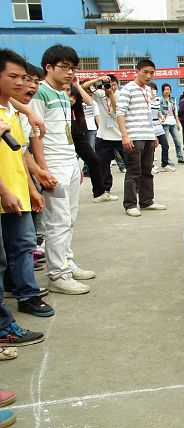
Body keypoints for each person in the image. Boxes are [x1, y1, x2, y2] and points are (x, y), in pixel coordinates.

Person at [30, 44, 94, 294]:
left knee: (70, 218)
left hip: (69, 162)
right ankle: (57, 274)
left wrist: (75, 163)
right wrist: (43, 169)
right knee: (57, 221)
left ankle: (66, 261)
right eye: (64, 67)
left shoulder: (63, 94)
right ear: (48, 67)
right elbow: (35, 135)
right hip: (53, 165)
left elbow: (66, 133)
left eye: (73, 68)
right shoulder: (40, 93)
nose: (70, 72)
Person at [0, 48, 54, 316]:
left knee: (24, 246)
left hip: (17, 192)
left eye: (25, 78)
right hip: (5, 193)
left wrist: (32, 188)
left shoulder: (12, 111)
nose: (22, 83)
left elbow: (20, 154)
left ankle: (28, 295)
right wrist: (4, 192)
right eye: (14, 77)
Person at [116, 59, 166, 217]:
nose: (149, 76)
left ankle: (147, 201)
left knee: (147, 171)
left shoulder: (147, 90)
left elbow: (147, 115)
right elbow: (120, 113)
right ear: (136, 71)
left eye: (152, 73)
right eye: (145, 72)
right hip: (134, 137)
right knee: (133, 172)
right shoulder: (127, 89)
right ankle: (130, 204)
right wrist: (125, 135)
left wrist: (153, 135)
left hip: (147, 136)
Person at [66, 82, 117, 203]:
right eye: (69, 95)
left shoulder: (77, 108)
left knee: (94, 160)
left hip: (78, 135)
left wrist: (78, 86)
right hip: (64, 137)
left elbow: (90, 102)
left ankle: (99, 193)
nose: (71, 99)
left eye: (74, 97)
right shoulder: (60, 105)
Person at [82, 74, 127, 195]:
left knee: (130, 163)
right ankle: (105, 188)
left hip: (121, 135)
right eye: (109, 85)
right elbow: (84, 86)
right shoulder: (100, 94)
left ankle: (135, 186)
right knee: (103, 165)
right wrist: (98, 79)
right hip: (103, 136)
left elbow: (117, 111)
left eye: (114, 85)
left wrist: (111, 95)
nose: (111, 87)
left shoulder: (121, 95)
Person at [159, 83, 184, 165]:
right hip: (165, 123)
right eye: (165, 89)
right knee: (166, 144)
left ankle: (180, 158)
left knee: (178, 141)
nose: (167, 91)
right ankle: (166, 159)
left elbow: (175, 112)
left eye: (168, 89)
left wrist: (177, 123)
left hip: (173, 123)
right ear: (162, 91)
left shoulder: (173, 99)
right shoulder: (160, 100)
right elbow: (158, 111)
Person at [148, 82, 175, 173]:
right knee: (151, 146)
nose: (153, 91)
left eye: (154, 90)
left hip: (158, 125)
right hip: (149, 125)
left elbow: (158, 110)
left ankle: (165, 164)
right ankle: (150, 165)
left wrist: (161, 116)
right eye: (151, 90)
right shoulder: (146, 101)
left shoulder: (157, 100)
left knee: (165, 145)